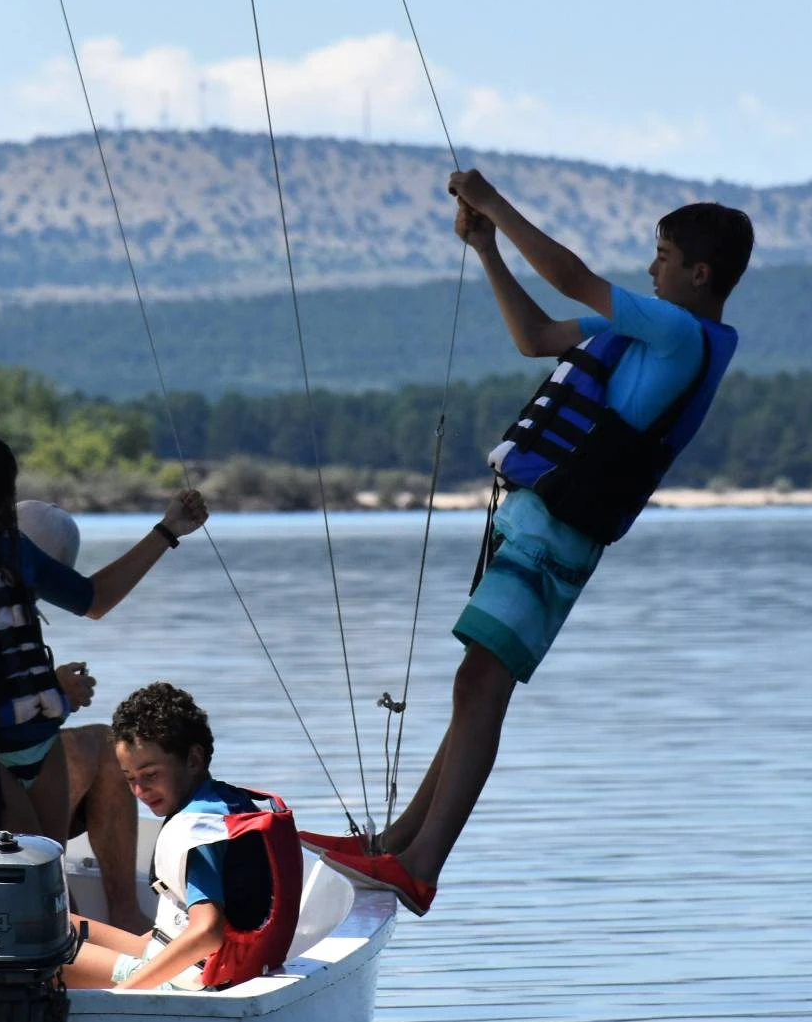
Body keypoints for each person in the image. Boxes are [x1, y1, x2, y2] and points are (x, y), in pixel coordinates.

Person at [314, 173, 753, 916]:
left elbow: (573, 278)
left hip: (560, 533)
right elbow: (535, 337)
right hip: (542, 518)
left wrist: (494, 203)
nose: (651, 269)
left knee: (482, 686)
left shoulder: (678, 333)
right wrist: (487, 249)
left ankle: (420, 865)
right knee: (474, 684)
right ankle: (398, 844)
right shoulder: (654, 329)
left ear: (699, 274)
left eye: (664, 257)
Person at [0, 432, 208, 847]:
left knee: (49, 865)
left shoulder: (13, 548)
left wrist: (168, 530)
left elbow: (95, 599)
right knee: (23, 865)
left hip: (40, 742)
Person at [63, 684, 302, 992]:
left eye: (150, 775)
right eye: (130, 778)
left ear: (193, 759)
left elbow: (207, 932)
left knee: (39, 959)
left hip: (190, 981)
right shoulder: (226, 804)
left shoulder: (197, 831)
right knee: (59, 924)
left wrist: (125, 993)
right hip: (194, 960)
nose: (139, 791)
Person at [11, 500, 148, 933]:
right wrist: (53, 692)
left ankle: (124, 913)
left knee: (107, 744)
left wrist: (54, 693)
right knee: (74, 750)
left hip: (8, 761)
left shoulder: (10, 612)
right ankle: (61, 918)